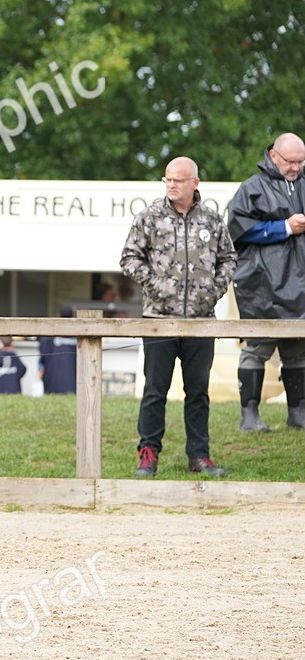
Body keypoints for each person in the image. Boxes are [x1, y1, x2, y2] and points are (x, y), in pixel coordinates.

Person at [120, 156, 235, 478]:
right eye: (168, 179)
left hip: (201, 321)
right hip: (158, 318)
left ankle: (199, 455)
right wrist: (157, 285)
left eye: (179, 180)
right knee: (155, 390)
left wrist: (214, 290)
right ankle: (148, 453)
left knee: (198, 391)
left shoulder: (212, 220)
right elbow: (129, 258)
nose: (172, 185)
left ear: (195, 183)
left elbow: (229, 259)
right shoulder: (149, 217)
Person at [226, 132, 305, 432]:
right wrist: (283, 227)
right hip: (261, 284)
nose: (296, 167)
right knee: (257, 347)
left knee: (298, 348)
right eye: (291, 161)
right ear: (273, 156)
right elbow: (237, 229)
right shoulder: (252, 188)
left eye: (300, 162)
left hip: (300, 285)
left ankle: (298, 413)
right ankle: (250, 415)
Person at [38, 306, 77, 394]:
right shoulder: (78, 334)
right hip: (74, 381)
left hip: (53, 380)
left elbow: (42, 352)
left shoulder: (49, 335)